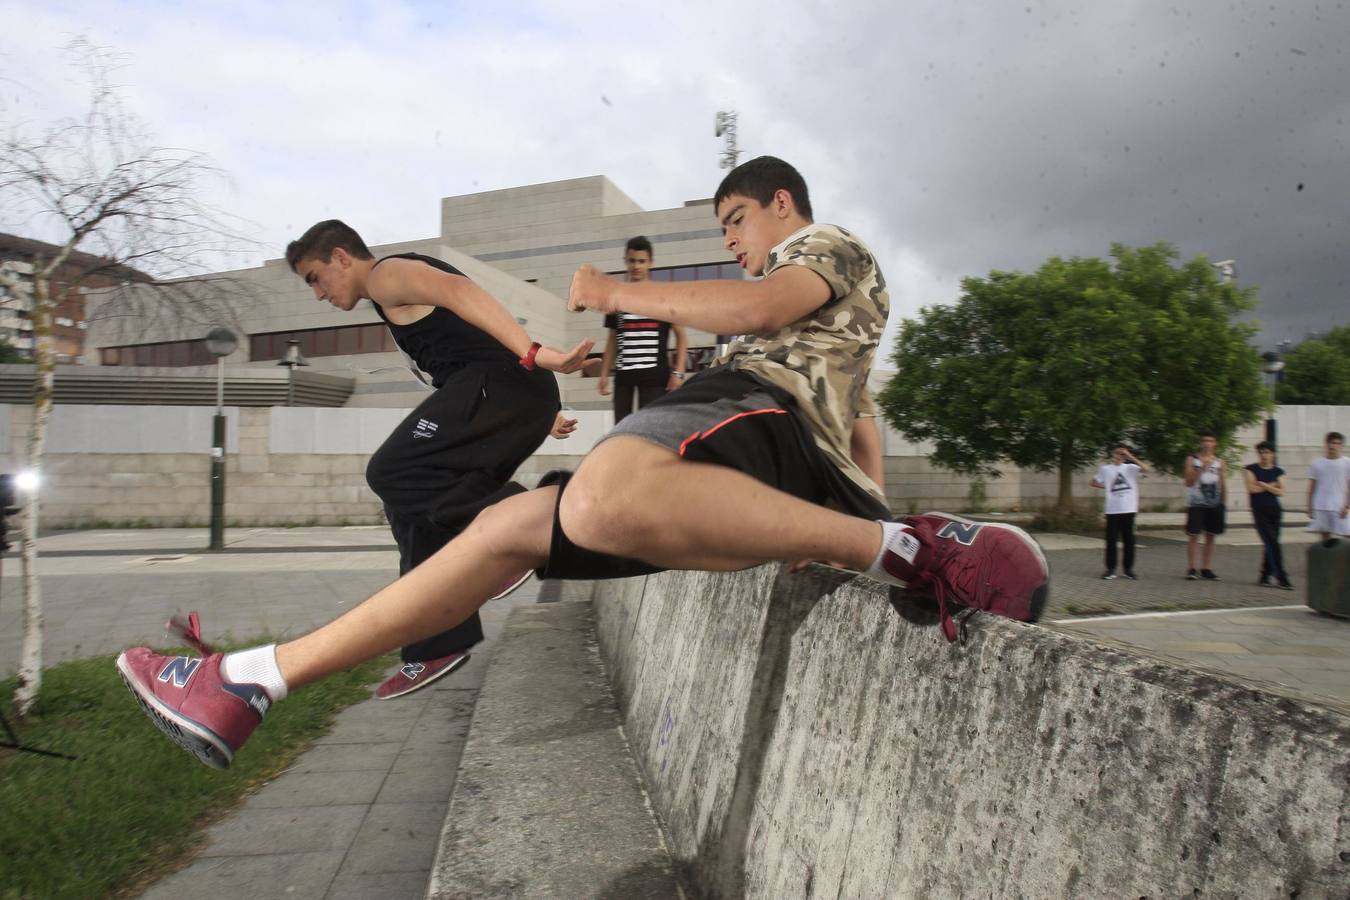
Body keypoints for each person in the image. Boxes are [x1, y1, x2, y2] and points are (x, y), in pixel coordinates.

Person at [117, 156, 1050, 770]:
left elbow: (763, 317)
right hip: (757, 447)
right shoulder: (829, 335)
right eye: (724, 228)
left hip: (757, 414)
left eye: (736, 221)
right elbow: (861, 424)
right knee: (507, 528)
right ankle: (249, 682)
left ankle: (906, 553)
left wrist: (617, 290)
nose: (732, 240)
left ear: (782, 204)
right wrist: (862, 500)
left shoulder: (823, 248)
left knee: (597, 495)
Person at [282, 221, 587, 700]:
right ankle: (436, 640)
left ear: (341, 257)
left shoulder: (385, 276)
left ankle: (519, 531)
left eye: (315, 278)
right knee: (408, 510)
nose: (318, 294)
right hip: (507, 397)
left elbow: (460, 291)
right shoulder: (387, 297)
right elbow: (465, 340)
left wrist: (533, 354)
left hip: (505, 384)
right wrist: (532, 412)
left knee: (390, 471)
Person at [597, 236, 688, 422]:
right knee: (621, 430)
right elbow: (612, 339)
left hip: (655, 377)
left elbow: (681, 335)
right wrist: (604, 374)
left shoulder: (663, 296)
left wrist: (678, 372)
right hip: (624, 377)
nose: (636, 266)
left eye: (641, 261)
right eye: (632, 261)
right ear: (625, 261)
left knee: (650, 430)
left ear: (650, 263)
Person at [1090, 446, 1148, 580]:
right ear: (1113, 454)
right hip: (1112, 510)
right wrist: (1108, 486)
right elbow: (1093, 482)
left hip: (1129, 509)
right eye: (1118, 453)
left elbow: (1146, 469)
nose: (1120, 455)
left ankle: (1128, 570)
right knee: (1111, 540)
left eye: (1123, 454)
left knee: (1129, 540)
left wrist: (1131, 457)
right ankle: (1110, 569)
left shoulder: (1130, 468)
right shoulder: (1106, 469)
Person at [1243, 441, 1292, 589]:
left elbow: (1281, 491)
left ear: (1273, 454)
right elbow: (1252, 489)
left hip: (1275, 510)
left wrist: (1263, 485)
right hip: (1259, 510)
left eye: (1267, 452)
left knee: (1272, 542)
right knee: (1271, 542)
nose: (1264, 455)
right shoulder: (1250, 469)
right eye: (1261, 452)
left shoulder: (1279, 471)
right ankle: (1281, 576)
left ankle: (1265, 575)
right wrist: (1272, 485)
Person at [1183, 431, 1226, 580]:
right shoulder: (1192, 459)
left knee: (1211, 535)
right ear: (1201, 443)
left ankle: (1206, 568)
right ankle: (1192, 568)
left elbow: (1222, 482)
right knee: (1194, 535)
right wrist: (1201, 468)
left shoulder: (1219, 461)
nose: (1207, 443)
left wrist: (1223, 501)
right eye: (1205, 440)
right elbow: (1188, 481)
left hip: (1214, 503)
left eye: (1210, 441)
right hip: (1196, 502)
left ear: (1215, 443)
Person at [1306, 431, 1350, 542]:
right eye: (1331, 443)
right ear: (1326, 444)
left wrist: (1347, 506)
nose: (1333, 446)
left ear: (1341, 446)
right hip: (1321, 506)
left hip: (1339, 506)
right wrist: (1309, 507)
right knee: (1325, 537)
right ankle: (1328, 559)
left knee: (1347, 532)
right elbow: (1311, 488)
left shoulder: (1347, 463)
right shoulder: (1317, 463)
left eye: (1337, 443)